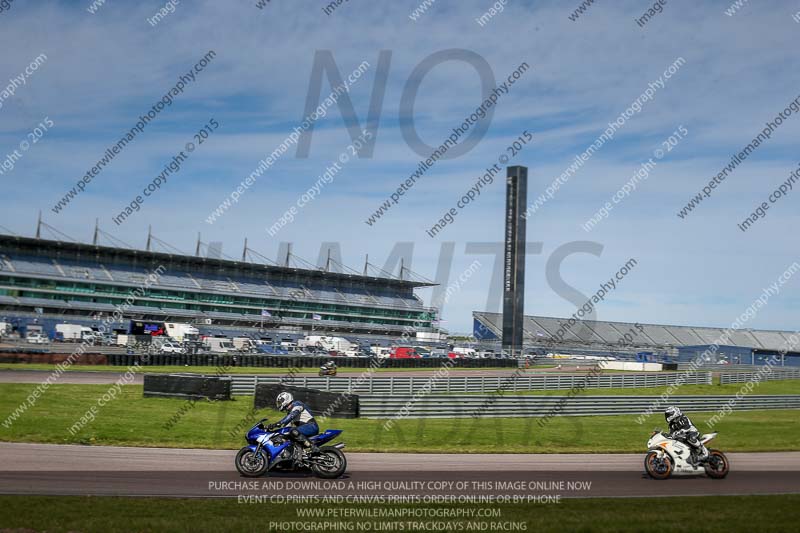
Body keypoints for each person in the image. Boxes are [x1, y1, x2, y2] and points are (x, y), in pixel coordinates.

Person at [268, 392, 320, 456]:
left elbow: (292, 415)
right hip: (303, 429)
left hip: (311, 426)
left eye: (280, 401)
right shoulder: (289, 413)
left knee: (293, 431)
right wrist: (274, 433)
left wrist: (278, 423)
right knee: (286, 435)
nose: (279, 404)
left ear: (286, 400)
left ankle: (312, 446)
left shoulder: (297, 404)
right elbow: (286, 427)